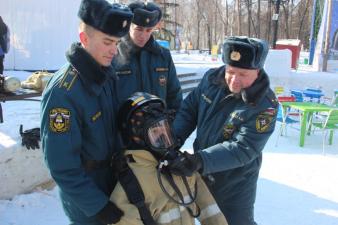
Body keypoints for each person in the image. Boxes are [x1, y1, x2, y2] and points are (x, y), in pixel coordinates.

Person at [40, 1, 133, 224]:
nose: (114, 49)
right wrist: (97, 206)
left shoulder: (105, 74)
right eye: (108, 42)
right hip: (86, 198)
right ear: (85, 39)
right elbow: (61, 165)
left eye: (117, 42)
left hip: (112, 181)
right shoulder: (63, 93)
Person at [170, 36, 279, 225]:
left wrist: (200, 160)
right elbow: (189, 110)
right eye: (231, 71)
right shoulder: (211, 80)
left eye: (243, 74)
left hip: (235, 184)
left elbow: (244, 148)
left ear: (258, 71)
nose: (234, 80)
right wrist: (172, 139)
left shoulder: (265, 105)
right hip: (202, 172)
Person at [109, 92, 228, 225]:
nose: (163, 136)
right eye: (154, 131)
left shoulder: (181, 165)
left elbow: (210, 210)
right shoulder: (131, 182)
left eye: (164, 128)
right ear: (137, 137)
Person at [112, 1, 182, 111]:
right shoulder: (113, 54)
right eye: (138, 29)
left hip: (158, 126)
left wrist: (169, 124)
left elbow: (175, 97)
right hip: (123, 126)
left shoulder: (163, 56)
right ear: (129, 26)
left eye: (148, 30)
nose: (143, 35)